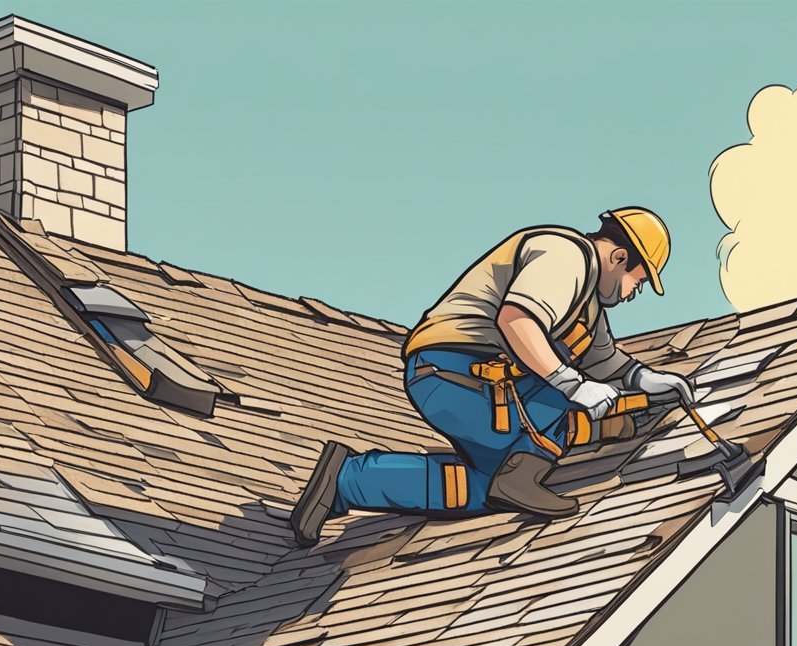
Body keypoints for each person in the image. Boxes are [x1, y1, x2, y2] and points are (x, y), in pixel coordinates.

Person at [291, 207, 692, 545]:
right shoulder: (564, 256)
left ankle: (346, 480)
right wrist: (576, 386)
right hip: (452, 371)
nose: (631, 293)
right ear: (619, 257)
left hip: (475, 382)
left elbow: (605, 362)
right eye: (637, 282)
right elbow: (518, 321)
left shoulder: (586, 302)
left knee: (478, 489)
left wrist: (646, 380)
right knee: (566, 401)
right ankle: (541, 463)